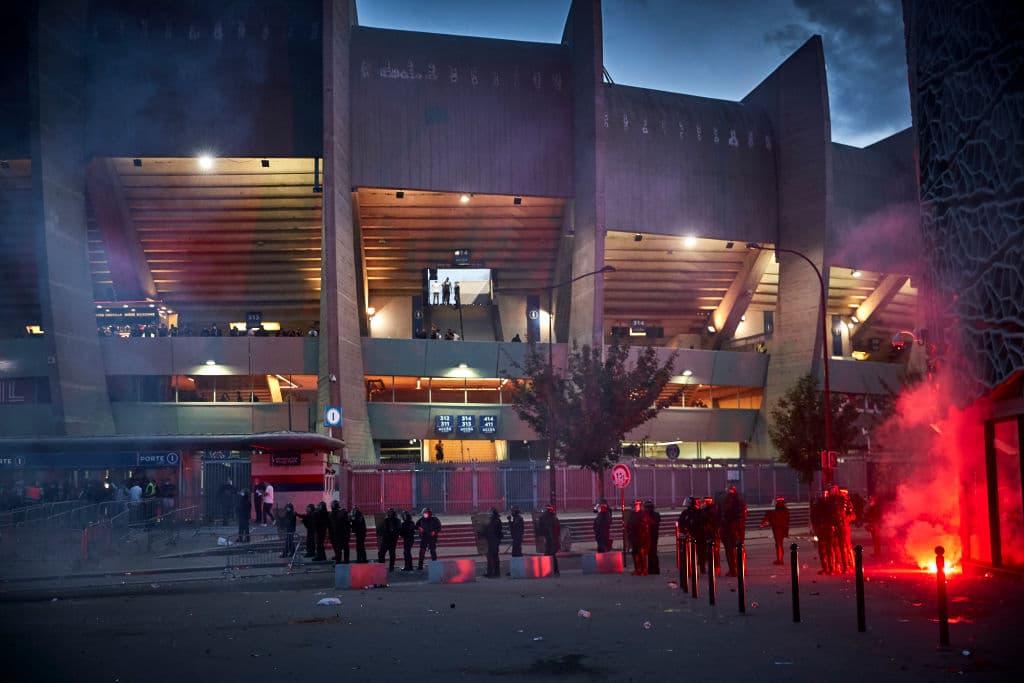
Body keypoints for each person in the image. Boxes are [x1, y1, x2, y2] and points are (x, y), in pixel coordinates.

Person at [720, 485, 748, 576]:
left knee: (731, 551)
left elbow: (722, 515)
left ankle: (734, 569)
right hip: (735, 530)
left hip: (731, 529)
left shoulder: (727, 502)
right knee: (737, 549)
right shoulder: (739, 501)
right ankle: (740, 568)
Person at [760, 497, 790, 565]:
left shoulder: (774, 513)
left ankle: (780, 560)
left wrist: (764, 523)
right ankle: (780, 559)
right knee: (780, 544)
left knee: (778, 544)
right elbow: (787, 521)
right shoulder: (786, 512)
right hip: (783, 529)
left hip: (777, 529)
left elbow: (770, 518)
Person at [627, 499, 650, 576]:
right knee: (635, 553)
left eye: (637, 505)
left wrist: (644, 537)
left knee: (641, 553)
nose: (636, 506)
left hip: (641, 537)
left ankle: (644, 569)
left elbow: (646, 527)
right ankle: (637, 569)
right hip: (634, 537)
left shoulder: (643, 514)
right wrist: (629, 534)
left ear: (640, 506)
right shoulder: (632, 514)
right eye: (635, 505)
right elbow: (629, 524)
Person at [537, 504, 560, 576]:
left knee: (548, 554)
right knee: (551, 554)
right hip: (551, 539)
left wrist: (542, 537)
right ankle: (555, 570)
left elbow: (540, 529)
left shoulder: (544, 517)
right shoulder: (553, 518)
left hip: (548, 538)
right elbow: (557, 529)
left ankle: (548, 569)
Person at [700, 497, 721, 574]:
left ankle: (716, 567)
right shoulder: (705, 510)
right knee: (708, 552)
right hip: (707, 533)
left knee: (714, 552)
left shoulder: (711, 510)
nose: (702, 504)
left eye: (704, 502)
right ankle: (713, 567)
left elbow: (713, 522)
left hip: (712, 534)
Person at [483, 507, 503, 578]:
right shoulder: (496, 520)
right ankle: (496, 572)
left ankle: (490, 572)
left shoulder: (494, 521)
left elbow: (490, 530)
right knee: (495, 556)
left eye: (489, 512)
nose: (488, 514)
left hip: (493, 540)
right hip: (495, 540)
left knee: (490, 556)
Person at [644, 500, 662, 574]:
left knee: (653, 552)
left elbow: (654, 523)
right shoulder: (646, 515)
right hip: (647, 536)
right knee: (650, 553)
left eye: (648, 507)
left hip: (653, 535)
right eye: (646, 507)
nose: (647, 509)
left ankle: (655, 569)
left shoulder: (655, 515)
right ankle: (651, 568)